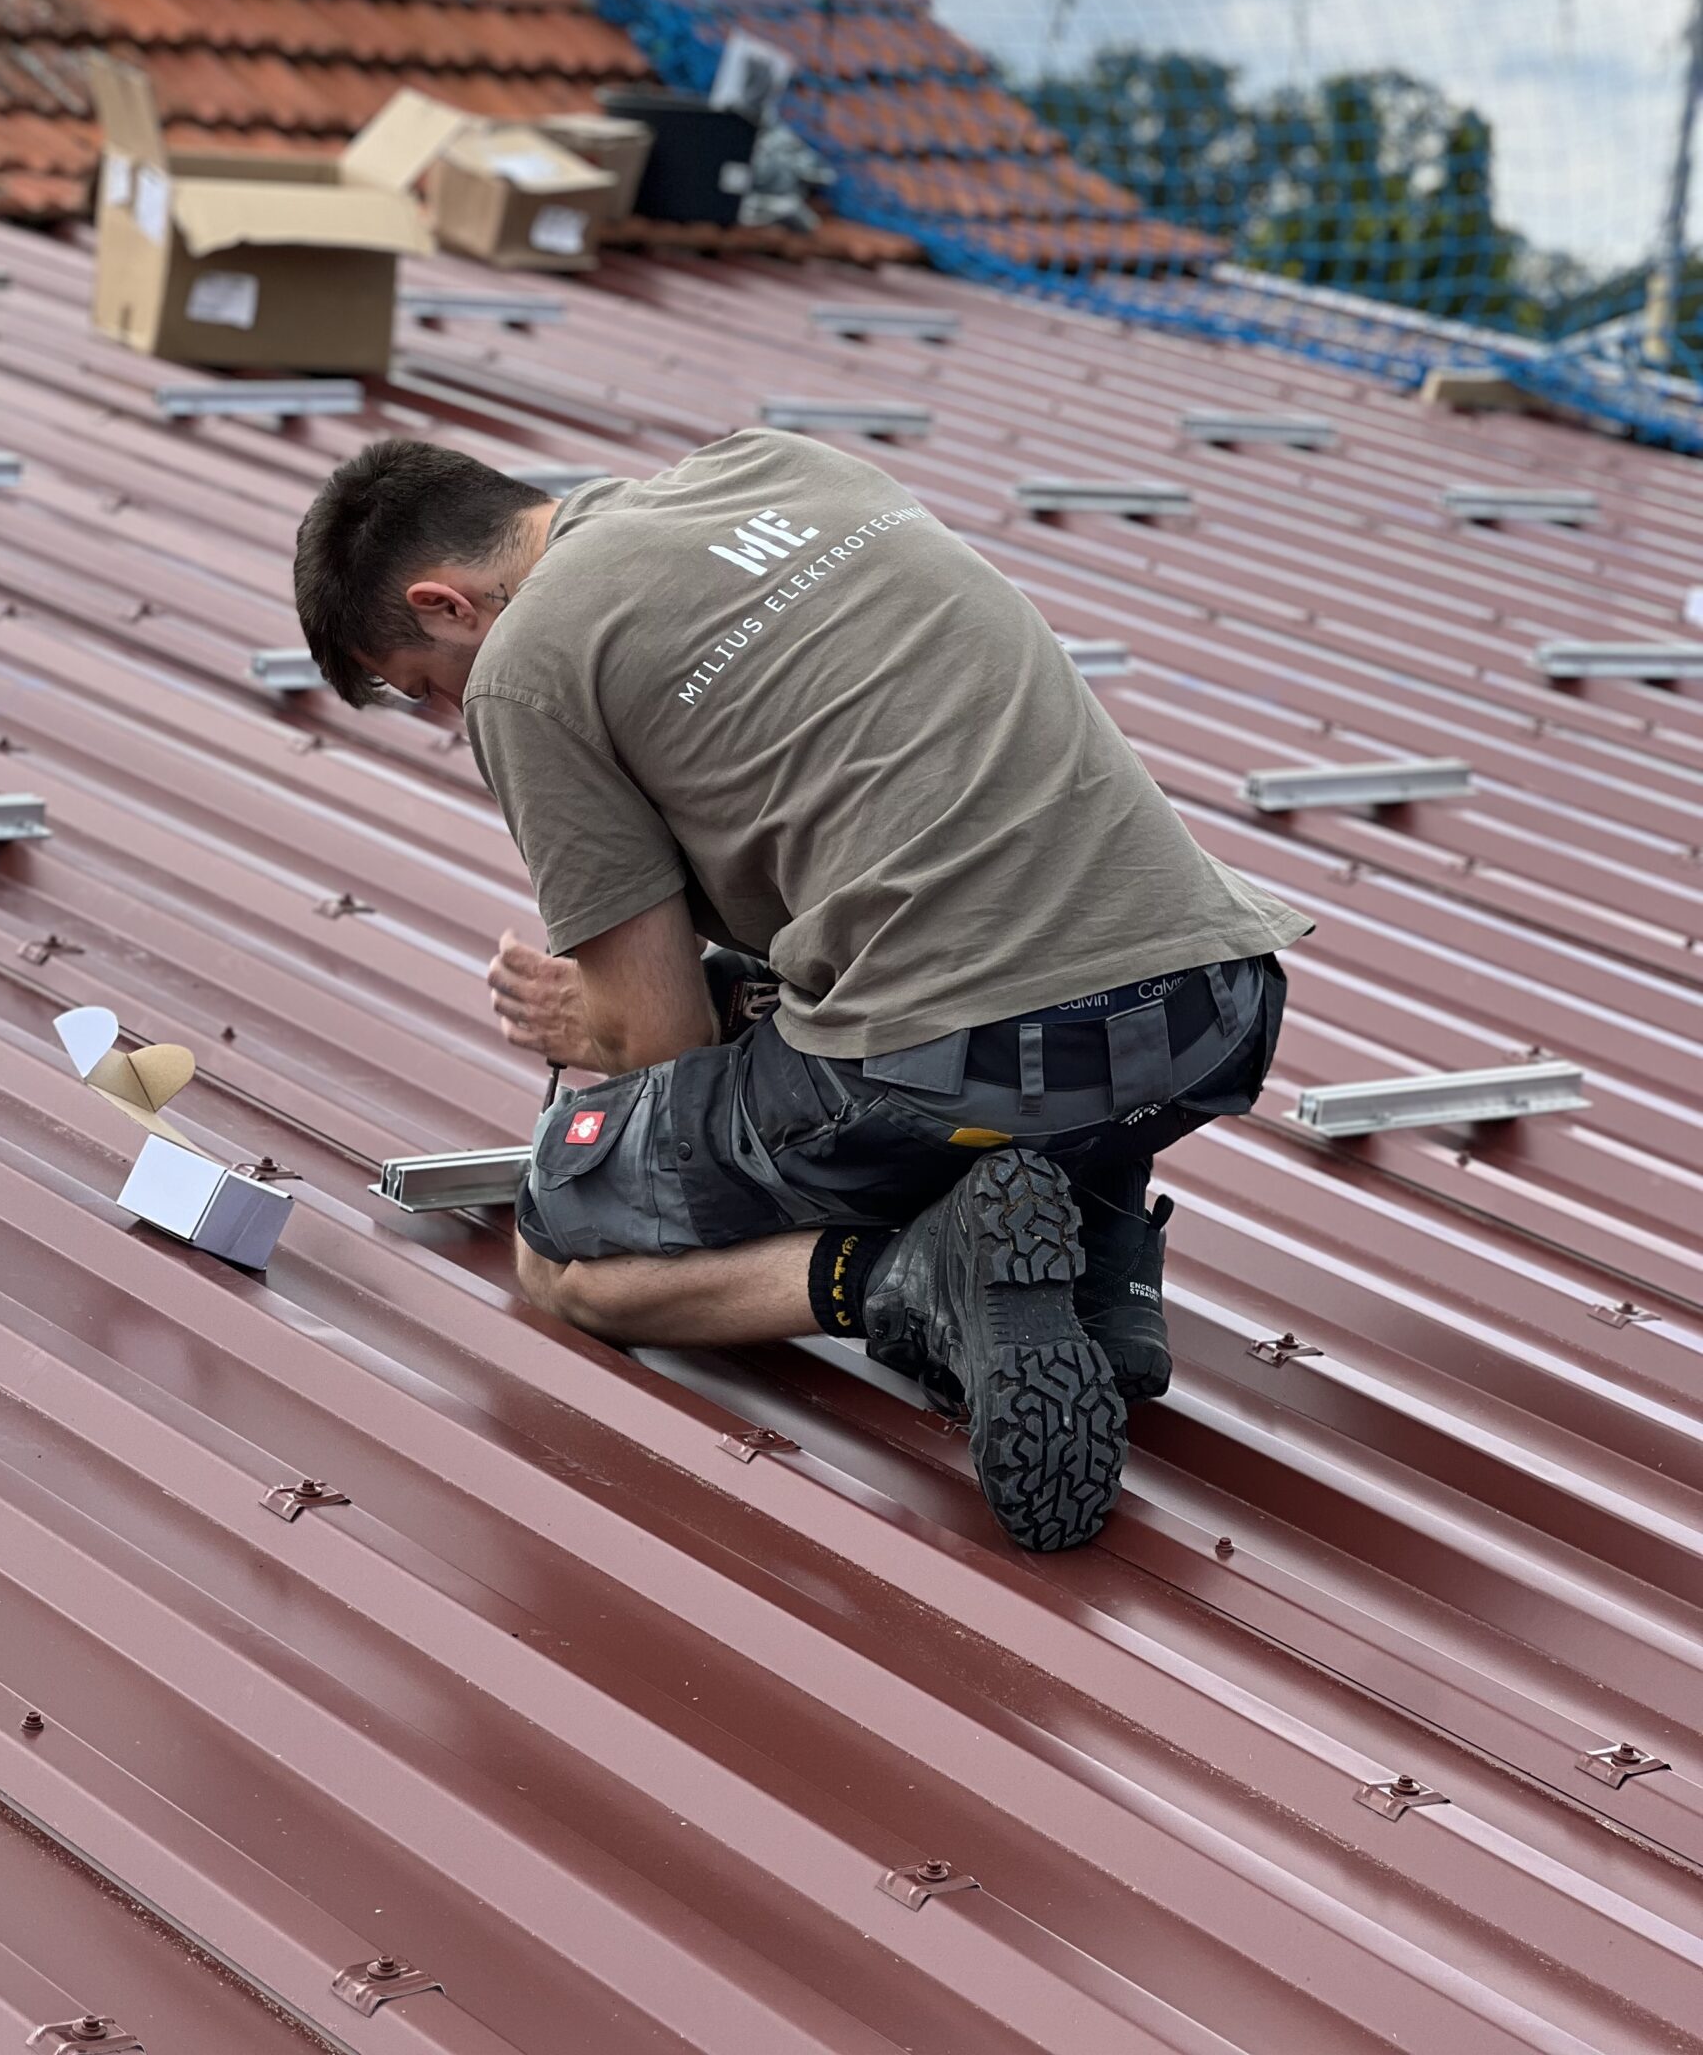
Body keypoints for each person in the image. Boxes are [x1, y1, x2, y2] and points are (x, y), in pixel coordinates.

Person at [294, 429, 1310, 1551]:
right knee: (921, 1013)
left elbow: (660, 1040)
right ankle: (1096, 1263)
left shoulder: (525, 664)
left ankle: (915, 1276)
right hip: (1213, 1009)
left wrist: (599, 1021)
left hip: (972, 1059)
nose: (454, 717)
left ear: (444, 604)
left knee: (563, 1239)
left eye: (428, 689)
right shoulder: (786, 465)